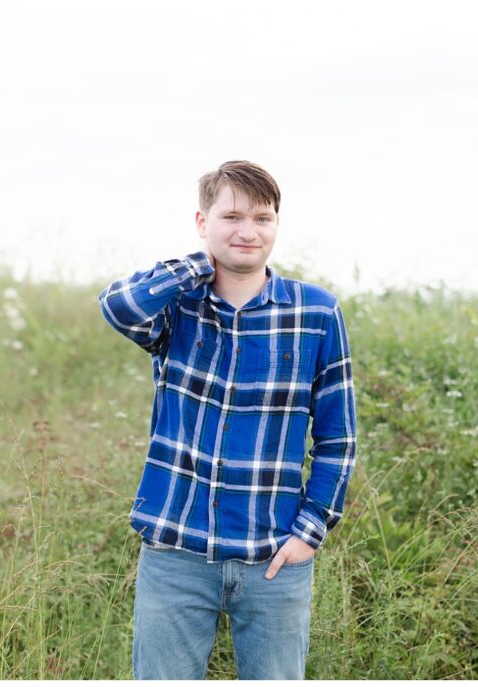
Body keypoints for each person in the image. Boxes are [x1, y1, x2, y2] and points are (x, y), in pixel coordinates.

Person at [97, 160, 357, 680]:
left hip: (273, 557)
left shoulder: (316, 313)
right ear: (202, 222)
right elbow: (118, 306)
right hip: (175, 552)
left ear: (277, 225)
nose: (248, 231)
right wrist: (196, 267)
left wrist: (310, 532)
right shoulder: (177, 308)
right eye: (232, 216)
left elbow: (337, 439)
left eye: (263, 218)